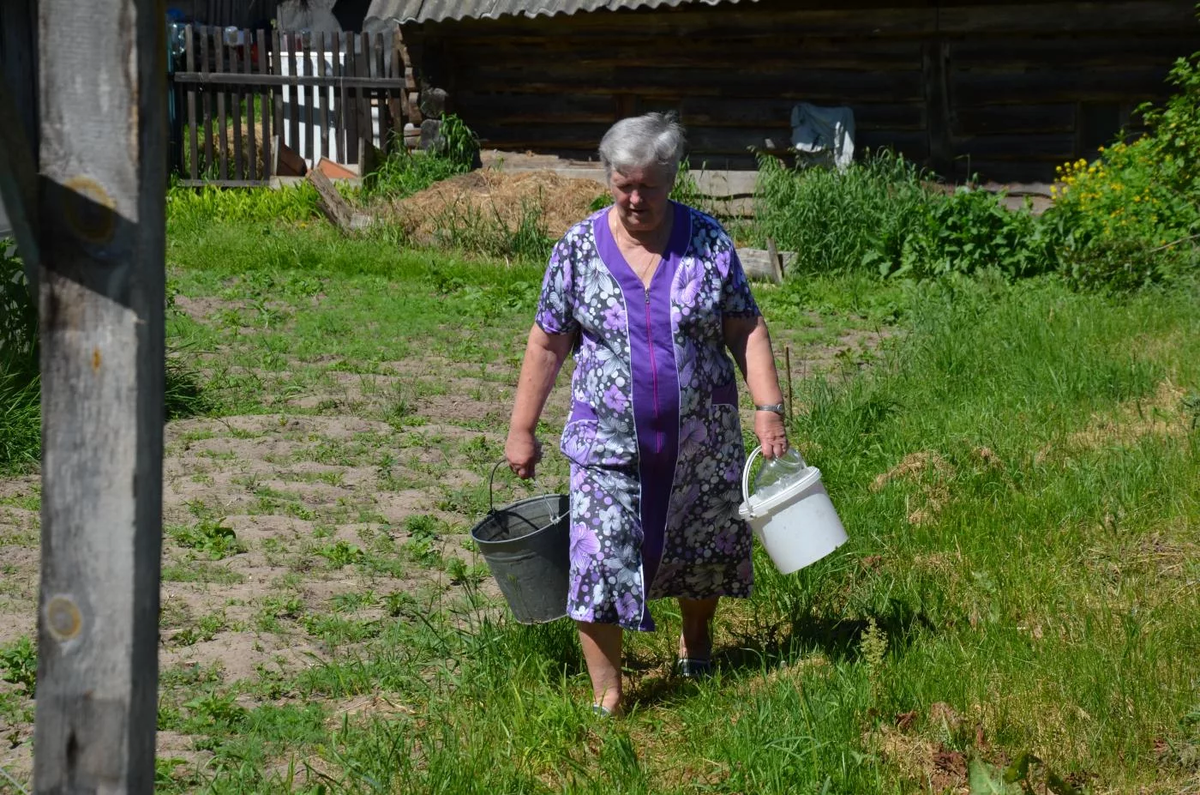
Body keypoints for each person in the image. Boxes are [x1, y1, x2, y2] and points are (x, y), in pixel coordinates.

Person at [504, 113, 789, 717]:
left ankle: (695, 637)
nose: (636, 198)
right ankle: (609, 692)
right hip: (605, 448)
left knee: (701, 549)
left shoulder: (709, 242)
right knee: (598, 557)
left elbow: (746, 328)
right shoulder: (579, 249)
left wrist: (768, 408)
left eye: (649, 186)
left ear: (673, 179)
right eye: (623, 184)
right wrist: (521, 429)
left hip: (700, 442)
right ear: (608, 178)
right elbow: (547, 341)